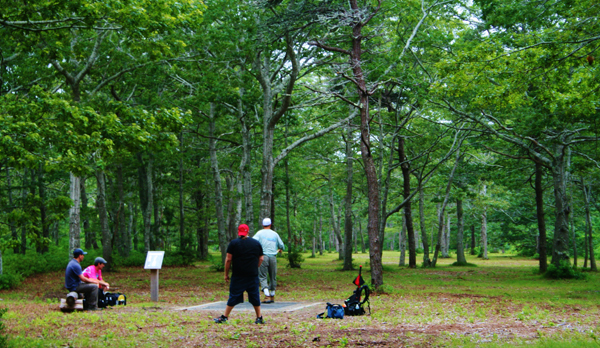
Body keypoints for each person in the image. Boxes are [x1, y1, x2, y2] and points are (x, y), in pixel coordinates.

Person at [214, 224, 265, 324]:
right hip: (252, 275)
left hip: (238, 275)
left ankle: (225, 316)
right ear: (248, 232)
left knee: (233, 295)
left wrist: (226, 274)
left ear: (239, 232)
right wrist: (255, 267)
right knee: (255, 296)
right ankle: (259, 317)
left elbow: (228, 259)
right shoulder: (256, 243)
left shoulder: (234, 243)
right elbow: (261, 258)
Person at [253, 217, 285, 304]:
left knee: (263, 276)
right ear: (270, 224)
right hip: (273, 257)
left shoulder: (259, 233)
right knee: (272, 275)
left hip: (263, 256)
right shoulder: (275, 234)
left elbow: (253, 242)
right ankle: (272, 294)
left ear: (263, 225)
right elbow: (282, 245)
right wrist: (279, 249)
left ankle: (266, 295)